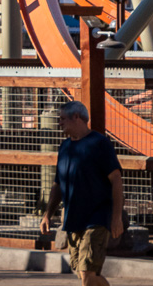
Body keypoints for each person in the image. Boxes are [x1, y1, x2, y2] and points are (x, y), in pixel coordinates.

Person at [39, 102, 123, 286]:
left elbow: (116, 179)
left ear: (76, 117)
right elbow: (58, 184)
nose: (59, 123)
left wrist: (117, 217)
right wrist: (47, 215)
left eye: (62, 119)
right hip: (73, 220)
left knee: (87, 274)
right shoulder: (64, 147)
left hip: (97, 219)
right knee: (83, 275)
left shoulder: (99, 143)